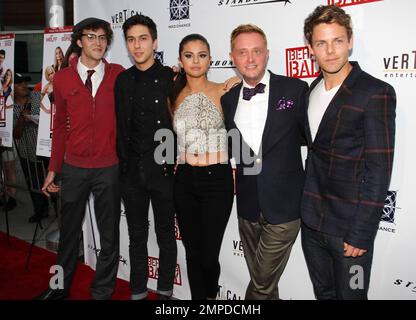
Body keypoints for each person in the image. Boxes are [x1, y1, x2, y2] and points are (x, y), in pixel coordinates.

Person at [301, 5, 396, 300]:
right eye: (321, 43)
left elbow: (379, 170)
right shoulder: (311, 90)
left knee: (353, 297)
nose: (330, 51)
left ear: (350, 40)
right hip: (311, 224)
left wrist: (361, 233)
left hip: (349, 230)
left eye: (338, 41)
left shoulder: (375, 92)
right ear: (310, 47)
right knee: (324, 294)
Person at [36, 17, 124, 300]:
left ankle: (102, 292)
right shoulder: (61, 79)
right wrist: (53, 168)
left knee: (109, 237)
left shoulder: (118, 74)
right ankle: (58, 290)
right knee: (68, 236)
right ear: (78, 41)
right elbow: (59, 126)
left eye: (102, 37)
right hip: (73, 168)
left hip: (108, 168)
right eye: (91, 36)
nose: (98, 42)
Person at [221, 24, 308, 300]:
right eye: (242, 52)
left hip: (285, 208)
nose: (250, 59)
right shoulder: (227, 99)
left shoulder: (295, 89)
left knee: (259, 286)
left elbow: (313, 138)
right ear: (232, 57)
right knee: (266, 284)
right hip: (247, 206)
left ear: (267, 54)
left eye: (256, 51)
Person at [115, 14, 177, 301]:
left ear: (154, 41)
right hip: (131, 174)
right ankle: (138, 291)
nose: (137, 45)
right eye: (131, 40)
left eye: (142, 39)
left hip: (164, 172)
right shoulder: (122, 81)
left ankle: (165, 291)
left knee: (166, 235)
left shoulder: (172, 78)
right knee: (137, 237)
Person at [171, 34, 236, 300]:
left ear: (210, 59)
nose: (195, 61)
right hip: (184, 179)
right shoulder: (172, 94)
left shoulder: (226, 90)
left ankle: (210, 297)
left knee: (209, 256)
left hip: (216, 180)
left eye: (202, 55)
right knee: (192, 252)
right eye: (189, 55)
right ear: (180, 60)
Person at [12, 73, 50, 223]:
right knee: (34, 183)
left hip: (46, 149)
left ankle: (58, 208)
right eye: (19, 83)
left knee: (51, 181)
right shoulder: (11, 106)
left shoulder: (36, 97)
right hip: (27, 152)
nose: (24, 85)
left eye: (25, 82)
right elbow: (16, 134)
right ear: (13, 87)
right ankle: (40, 211)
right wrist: (22, 119)